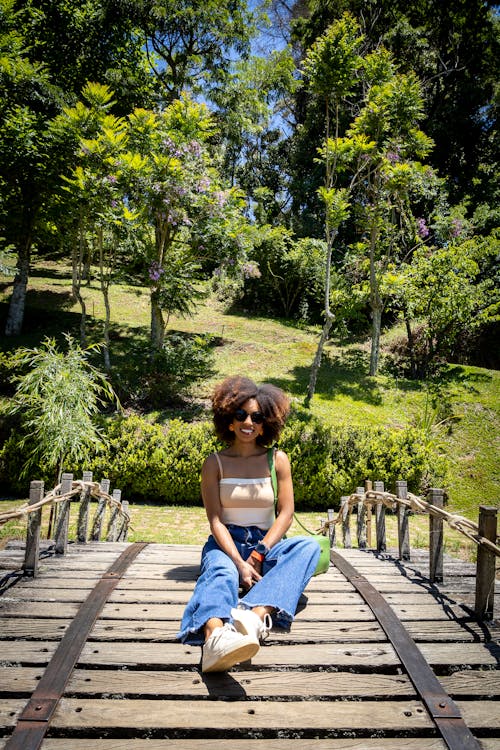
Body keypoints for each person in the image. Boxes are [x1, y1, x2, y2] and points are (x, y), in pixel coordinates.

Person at [177, 375, 320, 672]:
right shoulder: (213, 463)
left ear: (266, 423)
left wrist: (259, 552)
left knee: (307, 547)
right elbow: (215, 519)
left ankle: (254, 617)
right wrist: (239, 562)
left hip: (266, 545)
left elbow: (286, 514)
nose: (248, 422)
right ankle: (215, 638)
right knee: (218, 573)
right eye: (241, 415)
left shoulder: (278, 459)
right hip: (226, 542)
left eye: (256, 417)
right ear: (229, 420)